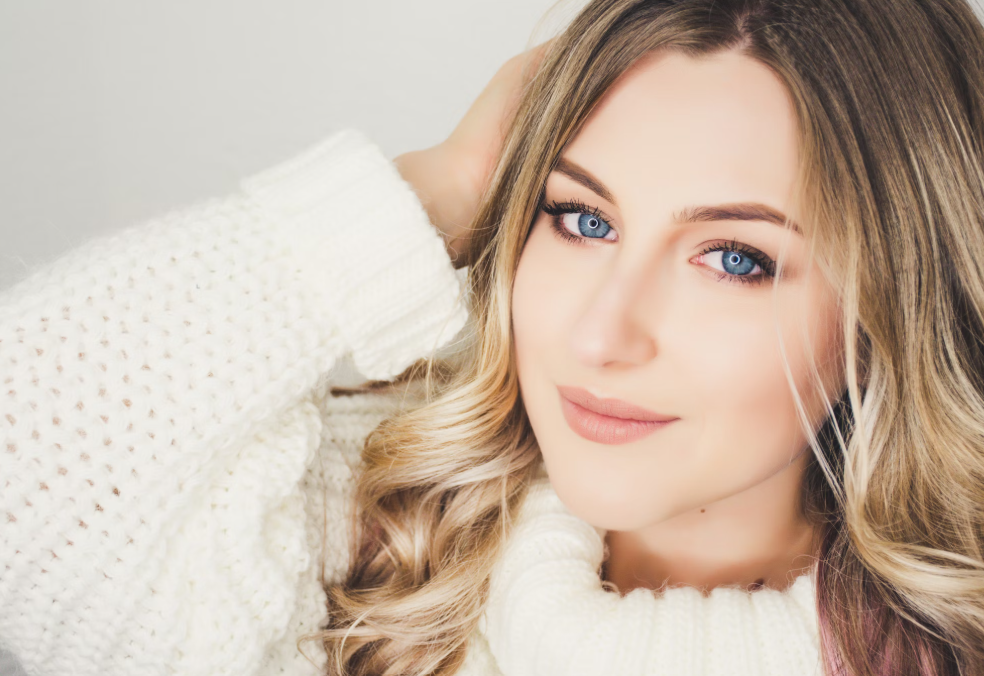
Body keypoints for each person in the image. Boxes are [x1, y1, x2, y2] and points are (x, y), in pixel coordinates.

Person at [2, 0, 984, 675]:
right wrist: (442, 188)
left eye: (733, 257)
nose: (602, 334)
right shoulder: (365, 542)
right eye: (582, 219)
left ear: (888, 306)